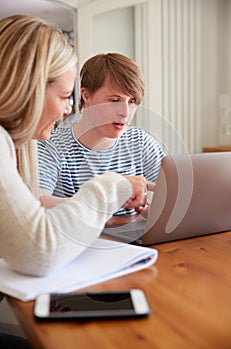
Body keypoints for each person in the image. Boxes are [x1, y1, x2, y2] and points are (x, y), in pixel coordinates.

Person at [0, 15, 149, 278]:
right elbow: (39, 251)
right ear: (29, 90)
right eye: (63, 96)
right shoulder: (43, 146)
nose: (68, 108)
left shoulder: (16, 146)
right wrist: (113, 187)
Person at [38, 53, 165, 215]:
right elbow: (39, 202)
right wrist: (106, 198)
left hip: (131, 238)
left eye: (131, 102)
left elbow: (175, 192)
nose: (125, 113)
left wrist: (153, 212)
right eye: (114, 100)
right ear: (86, 95)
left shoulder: (140, 142)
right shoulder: (52, 144)